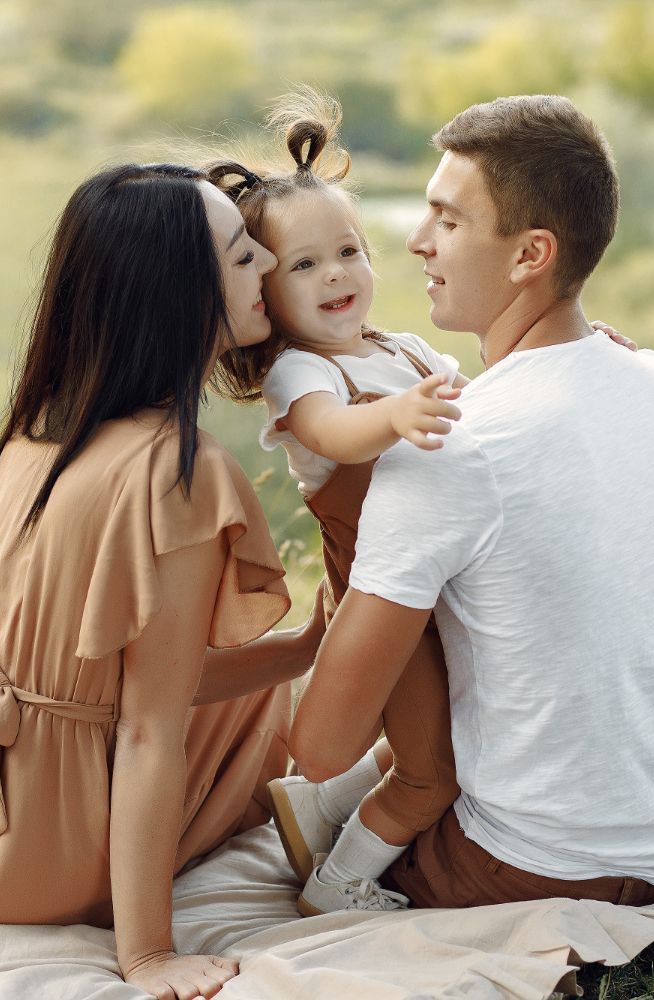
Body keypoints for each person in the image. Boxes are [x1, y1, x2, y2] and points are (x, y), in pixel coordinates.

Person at [0, 163, 325, 1000]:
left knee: (251, 688)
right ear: (179, 290)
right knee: (229, 720)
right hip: (17, 845)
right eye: (244, 257)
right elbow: (145, 730)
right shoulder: (178, 471)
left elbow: (108, 678)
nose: (271, 270)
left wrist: (303, 650)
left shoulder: (41, 426)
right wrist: (148, 957)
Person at [284, 95, 654, 910]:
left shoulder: (448, 447)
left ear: (530, 255)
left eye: (449, 220)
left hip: (541, 864)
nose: (417, 241)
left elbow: (321, 742)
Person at [205, 92, 465, 917]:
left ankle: (318, 807)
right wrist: (394, 416)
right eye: (304, 266)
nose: (337, 275)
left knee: (442, 726)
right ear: (264, 295)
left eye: (348, 250)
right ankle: (339, 882)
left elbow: (488, 407)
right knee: (430, 772)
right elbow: (336, 433)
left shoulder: (404, 349)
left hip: (437, 584)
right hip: (381, 602)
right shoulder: (301, 373)